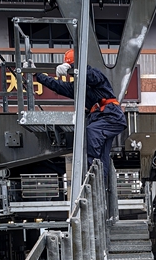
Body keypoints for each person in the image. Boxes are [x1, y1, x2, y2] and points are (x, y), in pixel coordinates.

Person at [34, 49, 127, 181]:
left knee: (92, 131)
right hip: (104, 117)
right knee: (102, 154)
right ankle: (102, 182)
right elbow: (57, 85)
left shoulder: (95, 74)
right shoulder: (76, 87)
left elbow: (89, 76)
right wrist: (37, 75)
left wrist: (73, 68)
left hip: (110, 115)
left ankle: (92, 172)